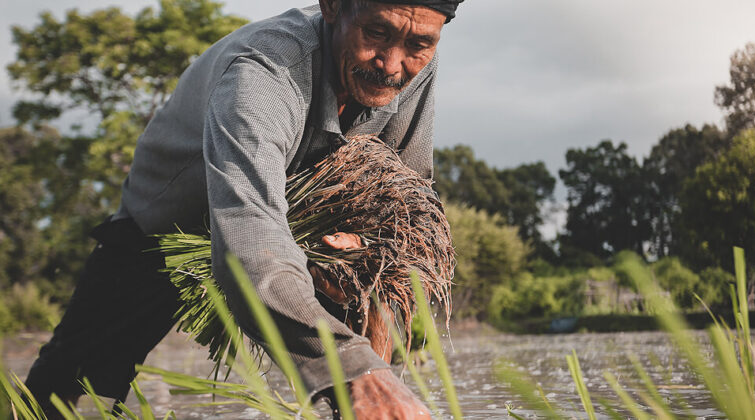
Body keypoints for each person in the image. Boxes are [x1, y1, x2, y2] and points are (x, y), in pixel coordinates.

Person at [24, 0, 462, 418]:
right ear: (332, 6)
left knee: (365, 344)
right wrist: (357, 371)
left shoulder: (412, 61)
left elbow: (408, 194)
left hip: (300, 224)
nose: (390, 63)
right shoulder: (265, 74)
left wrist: (367, 247)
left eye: (418, 44)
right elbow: (250, 243)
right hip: (166, 227)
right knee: (78, 386)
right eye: (375, 32)